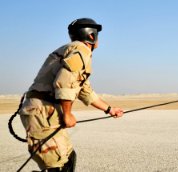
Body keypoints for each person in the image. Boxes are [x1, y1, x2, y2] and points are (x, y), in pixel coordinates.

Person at [19, 18, 124, 171]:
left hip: (46, 111)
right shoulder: (82, 50)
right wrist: (67, 114)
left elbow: (84, 90)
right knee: (56, 166)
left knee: (68, 158)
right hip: (43, 112)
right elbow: (64, 82)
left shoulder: (72, 49)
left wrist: (109, 109)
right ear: (91, 36)